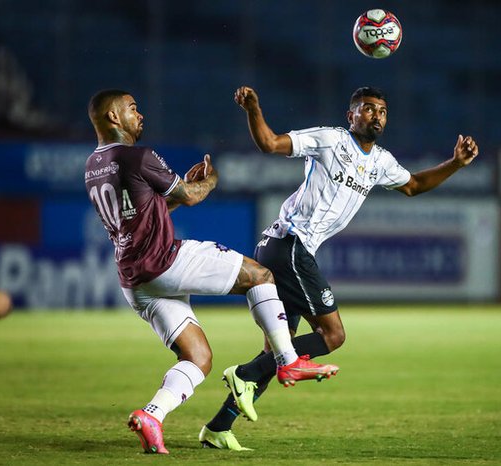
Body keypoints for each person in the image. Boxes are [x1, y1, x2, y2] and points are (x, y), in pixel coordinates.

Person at [199, 85, 479, 450]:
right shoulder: (330, 140)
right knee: (333, 336)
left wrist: (455, 163)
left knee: (279, 350)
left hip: (286, 249)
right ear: (351, 116)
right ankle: (245, 374)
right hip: (289, 245)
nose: (375, 115)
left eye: (381, 110)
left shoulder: (380, 161)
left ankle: (219, 426)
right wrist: (254, 108)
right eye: (367, 109)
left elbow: (413, 185)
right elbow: (269, 143)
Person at [84, 89, 339, 455]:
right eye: (133, 109)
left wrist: (177, 191)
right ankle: (287, 362)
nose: (140, 115)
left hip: (135, 281)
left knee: (198, 357)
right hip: (164, 261)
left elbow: (148, 212)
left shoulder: (93, 165)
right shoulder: (136, 156)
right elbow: (191, 196)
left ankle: (152, 416)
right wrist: (210, 180)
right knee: (261, 276)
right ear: (113, 117)